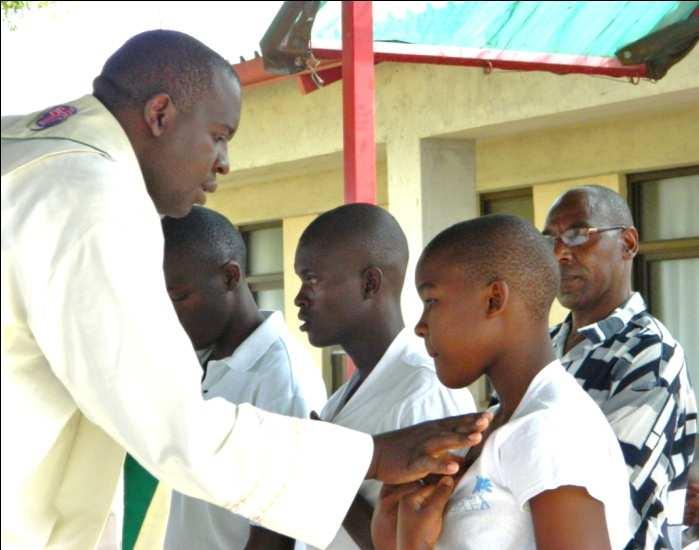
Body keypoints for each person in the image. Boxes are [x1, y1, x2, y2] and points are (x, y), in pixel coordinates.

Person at [0, 30, 491, 549]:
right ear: (160, 114)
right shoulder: (92, 198)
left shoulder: (24, 149)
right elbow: (177, 429)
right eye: (218, 135)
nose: (224, 163)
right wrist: (372, 455)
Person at [372, 214, 634, 550]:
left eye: (431, 301)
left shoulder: (551, 429)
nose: (420, 326)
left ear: (494, 299)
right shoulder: (498, 425)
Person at [294, 204, 477, 550]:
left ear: (370, 283)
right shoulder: (349, 392)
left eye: (312, 280)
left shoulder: (424, 391)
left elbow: (416, 542)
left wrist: (327, 464)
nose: (299, 298)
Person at [160, 206, 327, 550]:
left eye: (178, 298)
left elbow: (277, 533)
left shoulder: (282, 379)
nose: (168, 316)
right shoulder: (195, 361)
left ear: (230, 277)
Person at [543, 186, 697, 549]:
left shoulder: (650, 354)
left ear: (627, 244)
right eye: (549, 240)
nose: (560, 252)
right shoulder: (543, 345)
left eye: (578, 234)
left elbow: (602, 490)